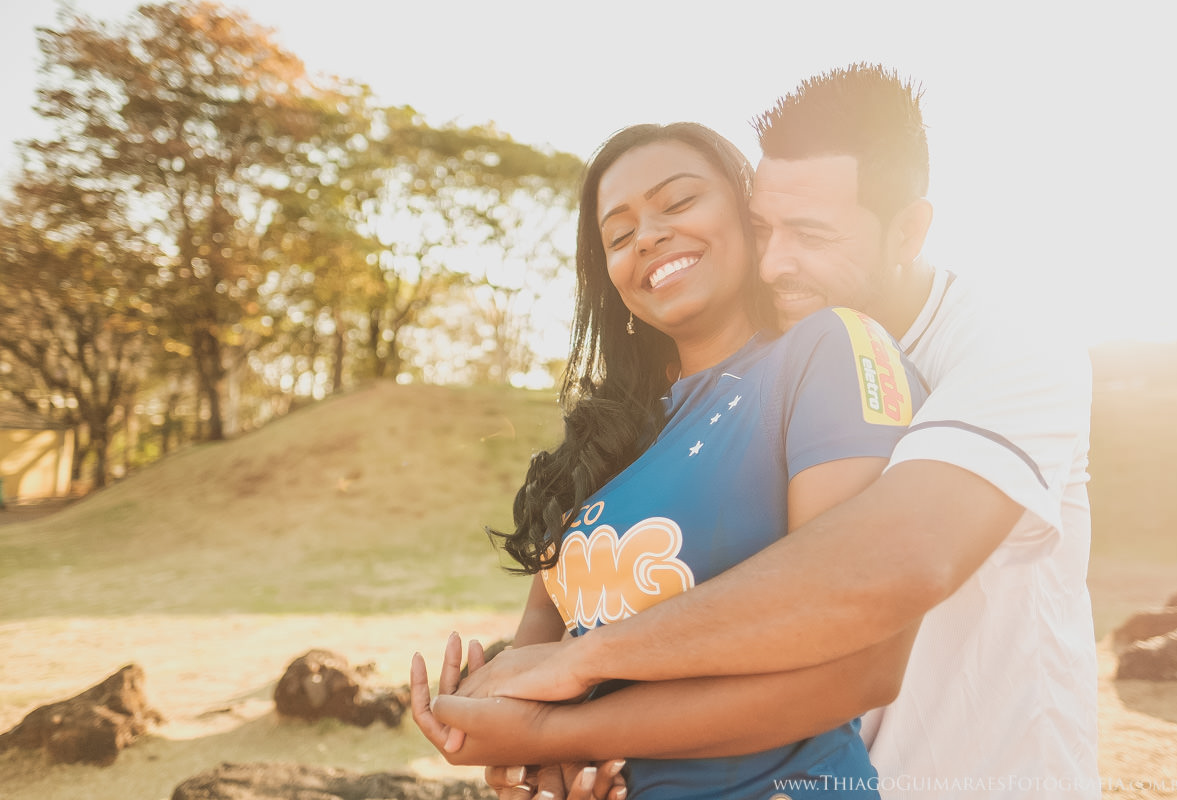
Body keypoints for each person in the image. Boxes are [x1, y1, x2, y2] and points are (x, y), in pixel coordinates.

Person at [421, 64, 1099, 800]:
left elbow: (892, 566)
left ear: (907, 230)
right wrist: (546, 747)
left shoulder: (1007, 348)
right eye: (762, 228)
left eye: (810, 234)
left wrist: (566, 698)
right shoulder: (695, 400)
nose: (774, 264)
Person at [411, 120, 928, 799]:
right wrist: (522, 753)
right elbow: (541, 652)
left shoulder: (830, 351)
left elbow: (853, 668)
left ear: (748, 216)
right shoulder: (601, 439)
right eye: (618, 235)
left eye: (679, 203)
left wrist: (554, 736)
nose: (647, 237)